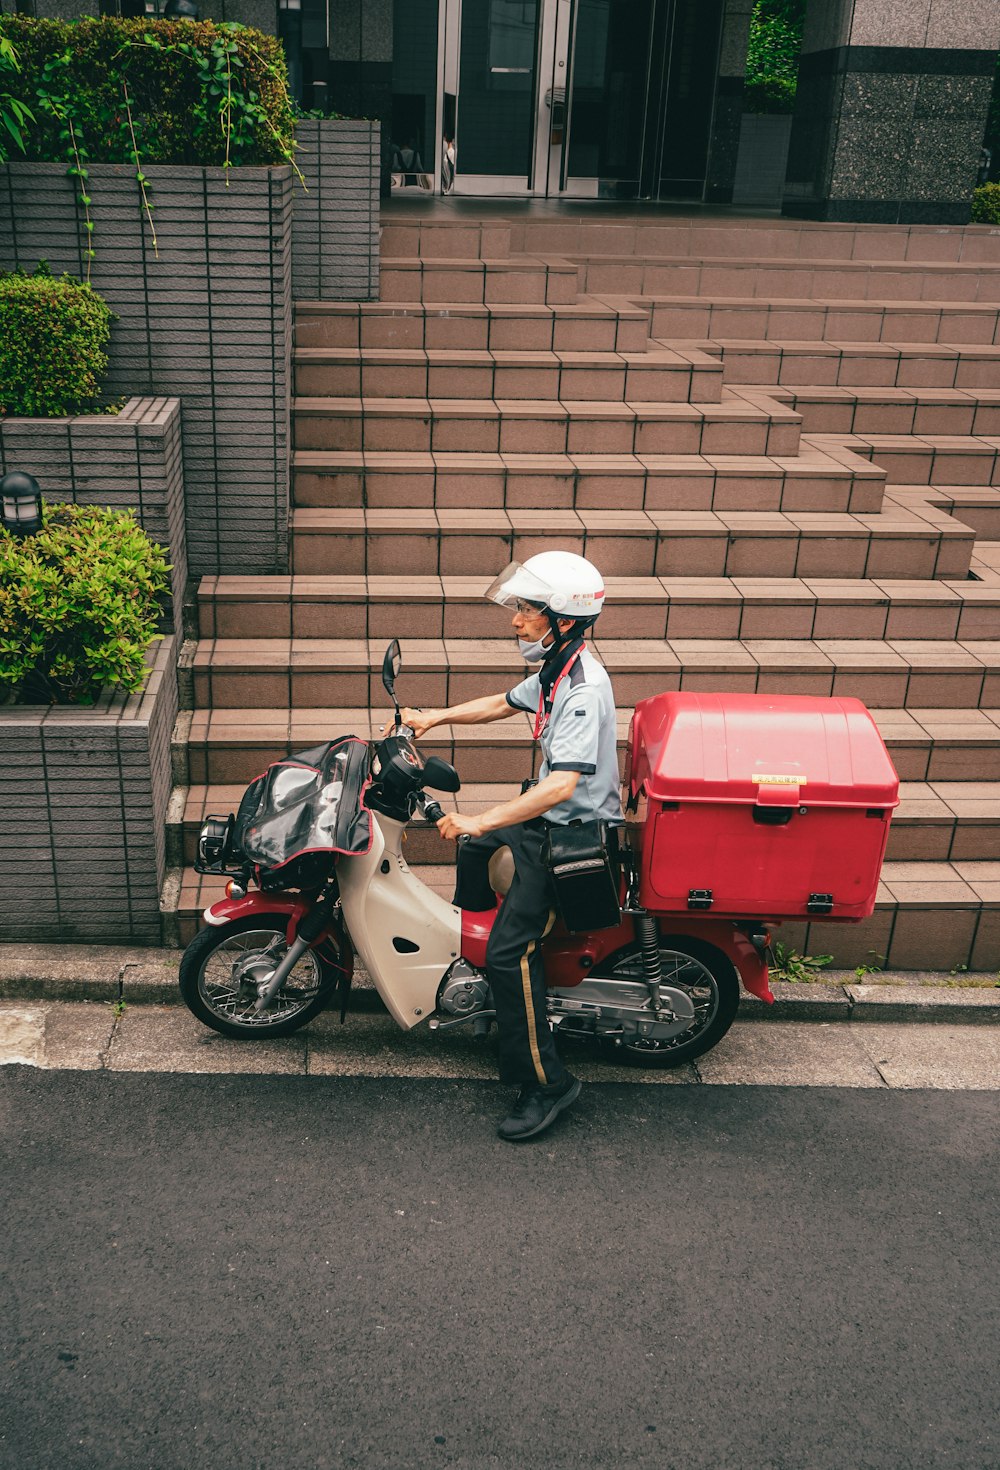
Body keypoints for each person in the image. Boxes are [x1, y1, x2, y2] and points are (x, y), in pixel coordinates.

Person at [388, 552, 623, 1141]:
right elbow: (500, 703)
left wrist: (479, 818)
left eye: (525, 609)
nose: (516, 620)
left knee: (507, 955)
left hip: (567, 837)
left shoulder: (582, 690)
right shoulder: (556, 670)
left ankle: (547, 1083)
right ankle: (486, 978)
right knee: (471, 851)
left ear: (563, 619)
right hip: (546, 820)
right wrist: (431, 718)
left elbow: (562, 785)